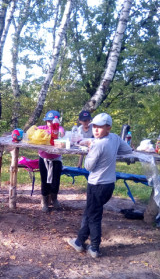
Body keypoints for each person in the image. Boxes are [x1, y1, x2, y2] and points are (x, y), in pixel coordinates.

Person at [68, 113, 133, 258]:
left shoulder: (98, 145)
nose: (96, 130)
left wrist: (91, 149)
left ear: (108, 127)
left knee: (94, 216)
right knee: (91, 211)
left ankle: (95, 248)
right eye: (94, 127)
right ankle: (79, 241)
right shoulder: (115, 138)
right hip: (109, 184)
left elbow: (88, 166)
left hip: (97, 184)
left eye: (100, 127)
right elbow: (127, 150)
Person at [37, 110, 65, 212]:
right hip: (44, 158)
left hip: (56, 159)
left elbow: (61, 133)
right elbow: (35, 131)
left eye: (52, 121)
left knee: (55, 181)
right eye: (48, 121)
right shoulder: (42, 128)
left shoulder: (59, 128)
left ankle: (54, 198)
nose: (50, 123)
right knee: (44, 180)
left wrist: (55, 131)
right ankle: (44, 200)